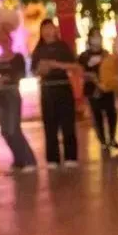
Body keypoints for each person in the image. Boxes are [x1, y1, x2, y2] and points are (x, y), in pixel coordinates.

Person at [31, 19, 82, 169]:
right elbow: (35, 71)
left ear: (55, 30)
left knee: (68, 124)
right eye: (44, 28)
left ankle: (71, 157)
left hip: (63, 87)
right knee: (50, 125)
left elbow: (75, 66)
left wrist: (55, 64)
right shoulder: (38, 50)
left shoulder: (63, 47)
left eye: (50, 28)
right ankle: (52, 159)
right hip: (47, 89)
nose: (47, 31)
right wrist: (42, 69)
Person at [0, 31, 37, 172]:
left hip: (12, 93)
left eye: (6, 40)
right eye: (1, 41)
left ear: (11, 41)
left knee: (13, 129)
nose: (4, 43)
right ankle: (18, 160)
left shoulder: (18, 57)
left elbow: (21, 74)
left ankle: (29, 160)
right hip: (0, 94)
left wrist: (7, 77)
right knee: (4, 131)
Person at [78, 29, 118, 153]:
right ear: (89, 39)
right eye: (94, 36)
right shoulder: (84, 56)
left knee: (111, 113)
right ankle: (103, 142)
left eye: (98, 36)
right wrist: (92, 78)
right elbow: (81, 72)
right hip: (93, 90)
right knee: (97, 115)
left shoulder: (106, 54)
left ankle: (112, 138)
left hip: (107, 88)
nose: (97, 39)